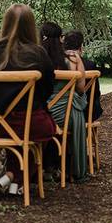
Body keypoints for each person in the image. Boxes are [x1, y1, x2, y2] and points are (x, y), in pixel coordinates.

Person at [0, 4, 56, 196]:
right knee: (45, 127)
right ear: (31, 26)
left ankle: (12, 180)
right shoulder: (39, 54)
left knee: (26, 127)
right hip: (28, 123)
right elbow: (48, 89)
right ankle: (13, 176)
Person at [41, 21, 89, 182]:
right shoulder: (73, 59)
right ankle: (70, 168)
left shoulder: (37, 59)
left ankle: (44, 167)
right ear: (60, 39)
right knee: (76, 104)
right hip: (64, 116)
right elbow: (81, 88)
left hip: (40, 114)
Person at [65, 30, 102, 121]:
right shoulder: (90, 65)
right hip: (86, 112)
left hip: (63, 111)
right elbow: (96, 93)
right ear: (81, 47)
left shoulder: (58, 64)